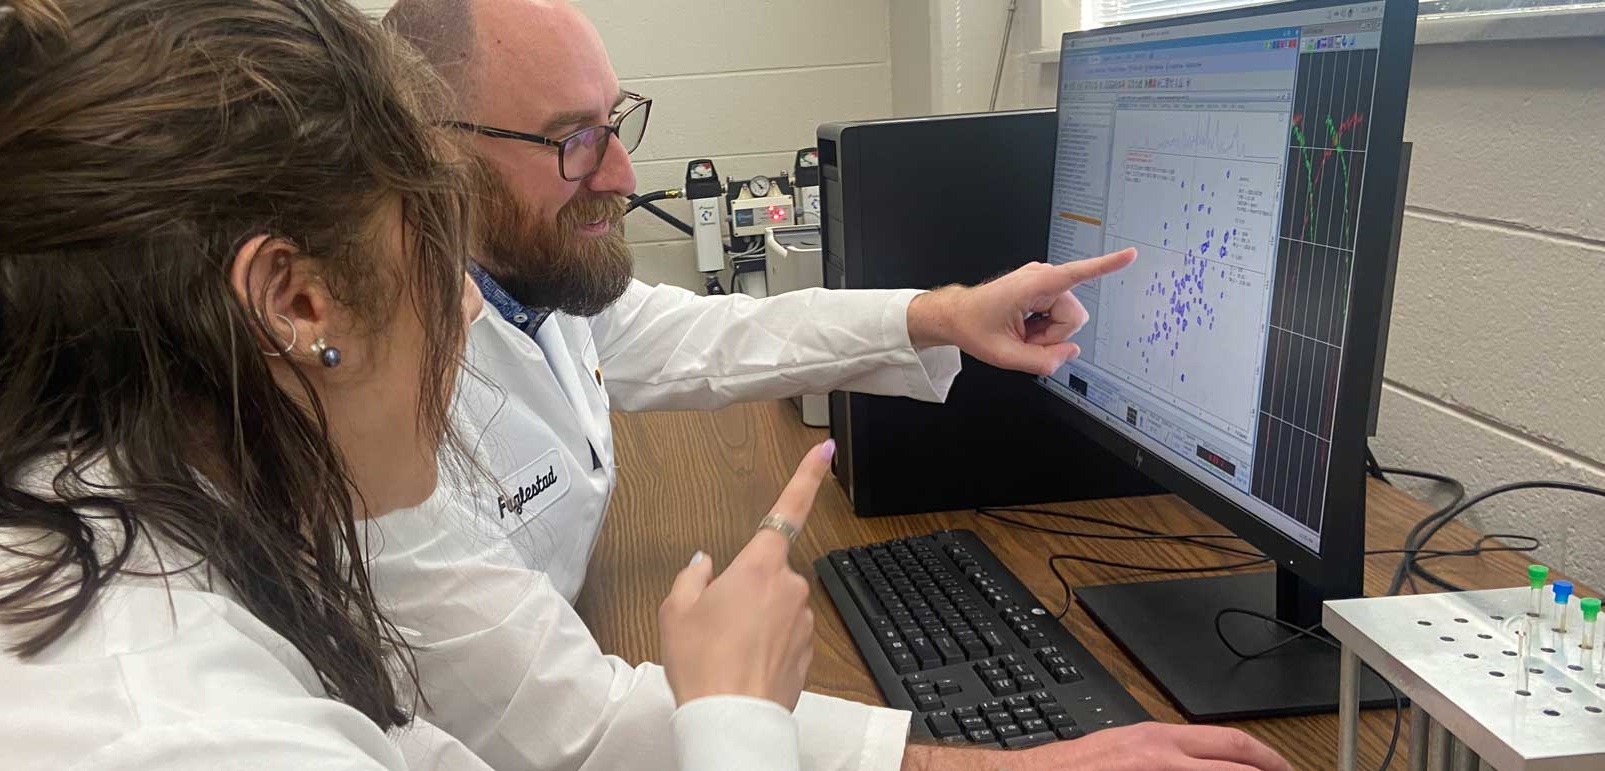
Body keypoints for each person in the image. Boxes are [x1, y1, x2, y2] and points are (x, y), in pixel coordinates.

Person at [0, 1, 832, 768]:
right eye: (433, 250)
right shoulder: (167, 730)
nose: (466, 306)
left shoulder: (125, 499)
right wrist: (735, 721)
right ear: (294, 302)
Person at [376, 1, 1294, 770]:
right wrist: (1020, 763)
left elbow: (712, 333)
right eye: (573, 140)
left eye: (615, 123)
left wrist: (946, 313)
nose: (622, 174)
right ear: (428, 154)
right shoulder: (373, 427)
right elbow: (587, 730)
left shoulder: (528, 287)